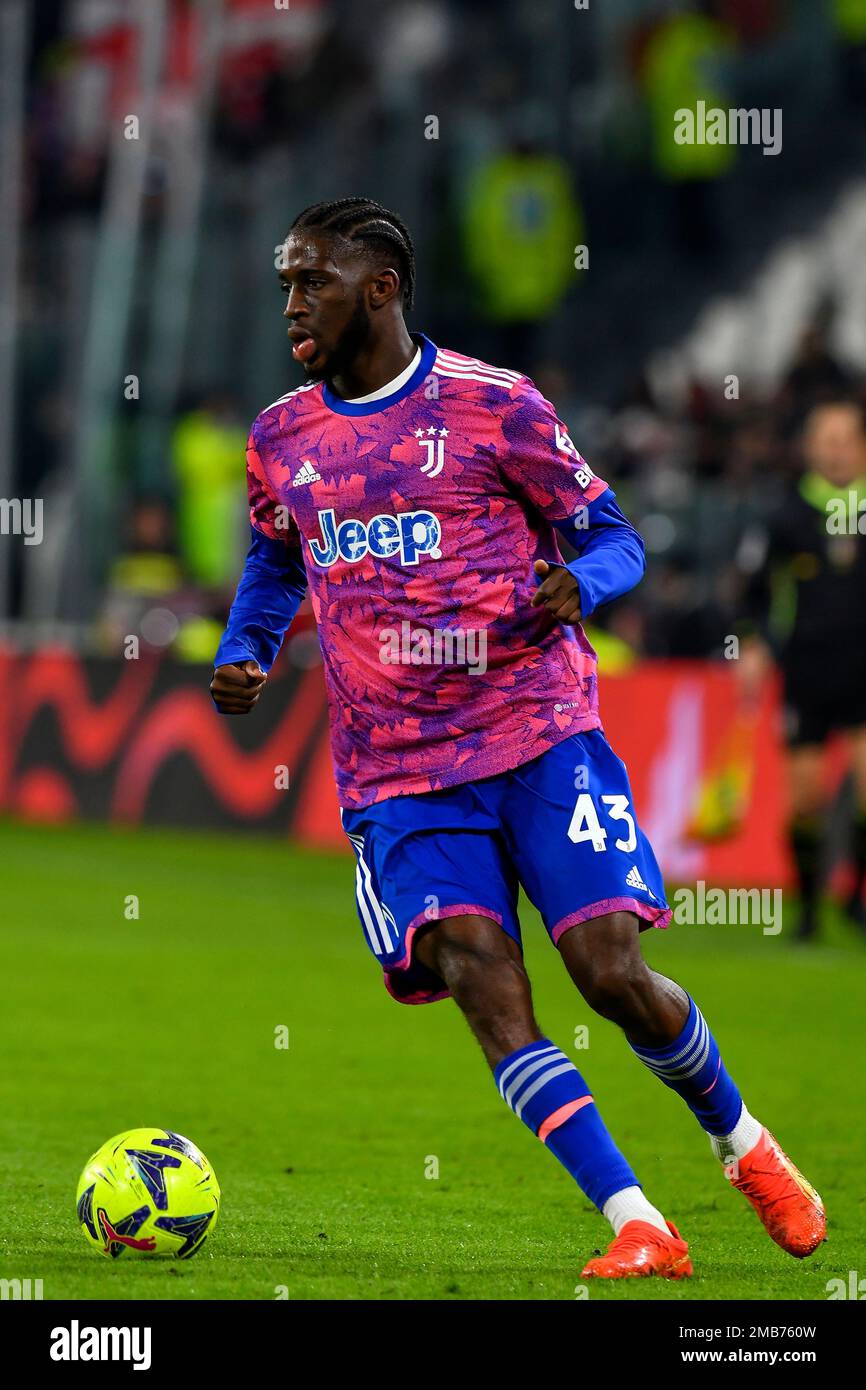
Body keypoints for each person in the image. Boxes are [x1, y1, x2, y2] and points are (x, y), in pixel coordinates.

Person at [211, 197, 824, 1279]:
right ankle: (637, 1221)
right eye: (284, 284)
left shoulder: (497, 407)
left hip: (536, 733)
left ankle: (742, 1142)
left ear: (381, 288)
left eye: (312, 281)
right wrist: (251, 645)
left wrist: (574, 585)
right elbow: (273, 557)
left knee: (608, 973)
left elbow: (614, 536)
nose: (292, 303)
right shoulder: (279, 438)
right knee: (477, 977)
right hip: (397, 773)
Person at [738, 399, 866, 939]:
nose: (834, 448)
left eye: (844, 438)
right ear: (810, 447)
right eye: (825, 438)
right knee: (806, 799)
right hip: (808, 673)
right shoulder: (786, 515)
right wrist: (751, 645)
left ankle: (856, 899)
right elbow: (754, 591)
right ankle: (810, 908)